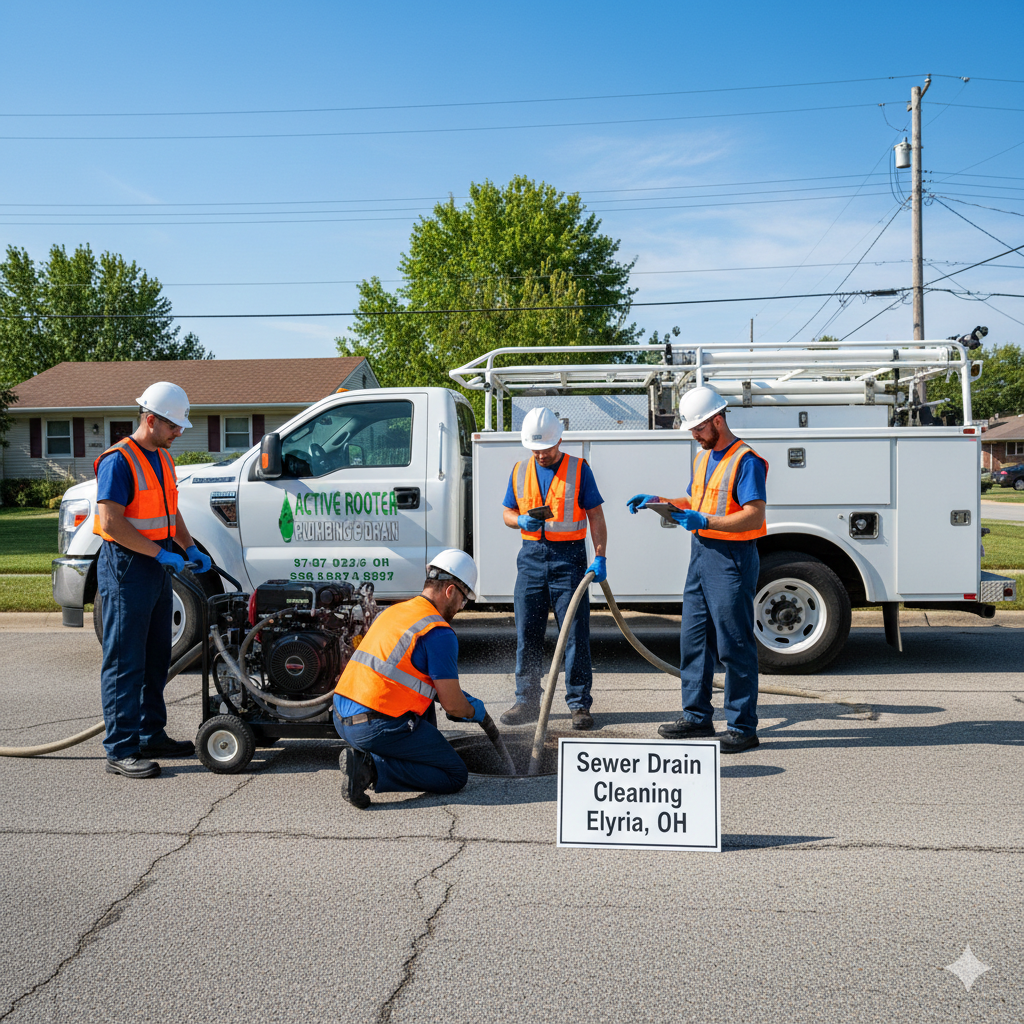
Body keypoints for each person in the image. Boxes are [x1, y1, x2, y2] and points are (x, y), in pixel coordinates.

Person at [627, 386, 768, 753]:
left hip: (731, 559)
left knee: (734, 645)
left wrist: (703, 519)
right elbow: (694, 500)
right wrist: (660, 502)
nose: (693, 435)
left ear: (717, 421)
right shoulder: (704, 456)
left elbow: (754, 514)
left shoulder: (745, 460)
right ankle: (696, 717)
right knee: (693, 641)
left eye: (697, 429)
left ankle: (742, 727)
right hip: (702, 556)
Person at [94, 382, 212, 779]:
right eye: (174, 426)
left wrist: (189, 547)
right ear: (150, 420)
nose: (180, 432)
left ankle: (150, 733)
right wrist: (159, 553)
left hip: (157, 565)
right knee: (126, 661)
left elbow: (169, 511)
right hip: (127, 566)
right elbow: (111, 522)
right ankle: (121, 749)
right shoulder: (119, 460)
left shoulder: (162, 459)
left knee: (158, 656)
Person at [333, 549, 484, 809]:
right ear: (450, 591)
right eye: (463, 600)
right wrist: (472, 710)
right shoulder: (438, 631)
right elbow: (453, 707)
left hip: (341, 719)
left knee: (423, 713)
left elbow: (401, 674)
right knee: (454, 775)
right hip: (374, 728)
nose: (460, 607)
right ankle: (369, 769)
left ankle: (375, 755)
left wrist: (449, 695)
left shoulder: (394, 612)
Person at [500, 407, 607, 731]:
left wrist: (599, 556)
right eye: (535, 449)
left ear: (559, 440)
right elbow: (506, 512)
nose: (541, 454)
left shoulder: (579, 469)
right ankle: (526, 701)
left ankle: (578, 705)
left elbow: (596, 517)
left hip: (569, 558)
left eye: (546, 448)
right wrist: (519, 520)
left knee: (574, 635)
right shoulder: (520, 470)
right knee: (527, 634)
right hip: (530, 558)